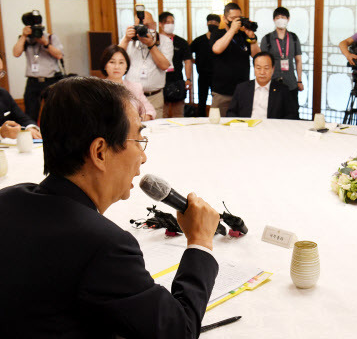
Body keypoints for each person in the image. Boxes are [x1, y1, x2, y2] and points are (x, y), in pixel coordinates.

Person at [0, 77, 220, 337]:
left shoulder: (8, 198)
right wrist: (200, 243)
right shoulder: (104, 245)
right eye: (139, 139)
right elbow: (178, 331)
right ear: (100, 152)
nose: (144, 156)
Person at [119, 10, 173, 119]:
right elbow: (116, 58)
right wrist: (126, 39)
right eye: (140, 26)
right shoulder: (128, 41)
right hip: (131, 96)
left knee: (157, 131)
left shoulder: (165, 41)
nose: (143, 28)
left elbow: (164, 65)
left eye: (147, 25)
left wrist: (151, 45)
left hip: (154, 96)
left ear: (155, 25)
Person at [12, 11, 64, 123]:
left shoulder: (50, 37)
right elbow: (16, 53)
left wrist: (45, 43)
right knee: (30, 113)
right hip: (33, 82)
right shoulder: (25, 39)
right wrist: (24, 36)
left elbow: (59, 55)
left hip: (50, 81)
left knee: (54, 113)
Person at [210, 3, 260, 116]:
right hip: (222, 92)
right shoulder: (217, 33)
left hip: (243, 91)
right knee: (219, 127)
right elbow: (217, 49)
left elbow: (256, 55)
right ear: (225, 18)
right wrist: (232, 30)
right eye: (233, 18)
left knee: (242, 127)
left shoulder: (244, 35)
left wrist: (251, 37)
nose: (237, 21)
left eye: (239, 18)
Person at [227, 52, 298, 119]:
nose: (262, 72)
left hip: (271, 129)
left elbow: (292, 114)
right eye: (258, 68)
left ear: (273, 69)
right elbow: (231, 112)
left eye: (266, 68)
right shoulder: (242, 88)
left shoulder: (282, 90)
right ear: (254, 68)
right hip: (247, 128)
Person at [260, 7, 304, 109]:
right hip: (272, 82)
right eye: (277, 17)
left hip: (291, 83)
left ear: (288, 19)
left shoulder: (293, 38)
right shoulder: (266, 39)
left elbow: (298, 61)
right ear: (274, 20)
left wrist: (300, 80)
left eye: (283, 17)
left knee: (292, 112)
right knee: (274, 112)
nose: (280, 19)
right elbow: (263, 63)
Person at [100, 44, 156, 121]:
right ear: (105, 65)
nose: (117, 67)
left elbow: (150, 111)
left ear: (126, 66)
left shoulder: (135, 87)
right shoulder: (97, 88)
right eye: (112, 62)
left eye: (121, 62)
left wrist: (138, 119)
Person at [159, 12, 193, 118]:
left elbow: (187, 61)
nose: (170, 24)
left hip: (177, 80)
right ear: (160, 24)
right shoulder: (155, 41)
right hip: (160, 82)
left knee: (178, 114)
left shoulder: (181, 42)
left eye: (172, 22)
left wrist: (188, 79)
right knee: (161, 113)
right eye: (167, 22)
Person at [190, 14, 220, 117]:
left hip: (217, 76)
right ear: (207, 23)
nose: (213, 24)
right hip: (202, 75)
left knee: (217, 101)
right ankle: (200, 120)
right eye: (211, 22)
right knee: (202, 100)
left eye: (215, 22)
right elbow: (188, 53)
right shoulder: (199, 40)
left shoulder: (220, 40)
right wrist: (194, 61)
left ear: (219, 24)